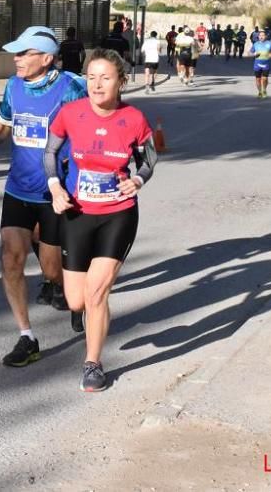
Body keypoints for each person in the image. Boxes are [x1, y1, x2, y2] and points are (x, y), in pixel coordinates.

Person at [0, 26, 88, 366]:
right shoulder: (13, 86)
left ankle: (70, 292)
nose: (17, 59)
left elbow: (93, 129)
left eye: (24, 53)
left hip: (56, 191)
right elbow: (5, 124)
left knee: (53, 271)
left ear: (47, 58)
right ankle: (27, 336)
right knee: (11, 258)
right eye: (16, 53)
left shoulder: (71, 88)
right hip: (18, 188)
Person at [44, 48, 157, 392]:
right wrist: (54, 186)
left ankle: (93, 364)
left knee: (96, 293)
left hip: (118, 215)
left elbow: (150, 158)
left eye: (105, 77)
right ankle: (88, 311)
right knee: (76, 300)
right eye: (91, 77)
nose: (96, 84)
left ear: (121, 82)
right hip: (78, 213)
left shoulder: (134, 119)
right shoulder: (70, 113)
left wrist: (136, 180)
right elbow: (50, 151)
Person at [250, 29, 271, 98]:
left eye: (263, 35)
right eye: (260, 36)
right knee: (258, 79)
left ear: (265, 36)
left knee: (265, 79)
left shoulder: (269, 43)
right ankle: (260, 91)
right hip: (257, 64)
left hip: (266, 64)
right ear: (258, 37)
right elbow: (250, 52)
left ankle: (264, 89)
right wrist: (254, 54)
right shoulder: (255, 44)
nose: (261, 37)